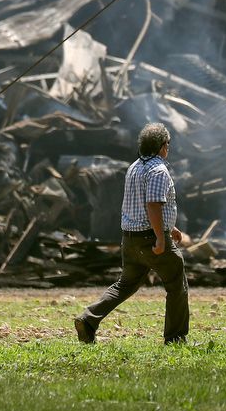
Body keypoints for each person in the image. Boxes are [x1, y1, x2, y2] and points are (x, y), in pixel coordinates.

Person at [75, 122, 189, 344]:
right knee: (177, 284)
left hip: (130, 239)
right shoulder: (159, 170)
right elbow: (153, 206)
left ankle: (88, 319)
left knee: (125, 285)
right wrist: (160, 237)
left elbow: (140, 205)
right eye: (168, 144)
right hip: (150, 237)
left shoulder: (134, 167)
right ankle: (175, 338)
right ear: (162, 146)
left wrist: (170, 227)